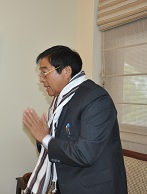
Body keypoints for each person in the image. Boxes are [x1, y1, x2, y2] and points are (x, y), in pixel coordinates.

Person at [22, 45, 127, 194]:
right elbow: (54, 148)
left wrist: (44, 137)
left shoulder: (96, 98)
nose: (41, 79)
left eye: (45, 72)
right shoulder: (61, 100)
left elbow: (85, 154)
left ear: (66, 71)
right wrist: (42, 138)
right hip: (65, 185)